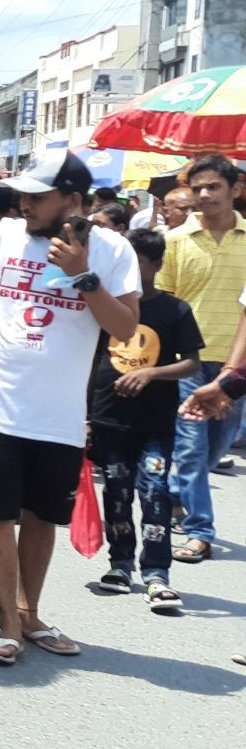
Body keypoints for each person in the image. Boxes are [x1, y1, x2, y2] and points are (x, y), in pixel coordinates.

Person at [0, 151, 140, 665]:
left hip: (59, 412)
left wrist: (83, 276)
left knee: (42, 517)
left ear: (73, 201)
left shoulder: (114, 250)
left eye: (37, 196)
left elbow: (124, 329)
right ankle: (8, 623)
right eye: (22, 194)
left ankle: (30, 615)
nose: (24, 203)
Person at [87, 228, 199, 613]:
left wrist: (152, 374)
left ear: (156, 266)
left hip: (155, 423)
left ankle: (156, 574)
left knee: (154, 494)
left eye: (137, 264)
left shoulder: (175, 310)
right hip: (109, 418)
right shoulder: (102, 306)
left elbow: (192, 363)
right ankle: (120, 566)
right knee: (116, 492)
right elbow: (91, 359)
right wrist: (85, 415)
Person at [155, 155, 246, 565]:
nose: (205, 195)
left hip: (236, 368)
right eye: (198, 188)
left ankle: (175, 495)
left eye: (214, 187)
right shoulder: (174, 242)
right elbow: (164, 303)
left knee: (215, 448)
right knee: (191, 449)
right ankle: (199, 530)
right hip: (188, 363)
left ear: (235, 190)